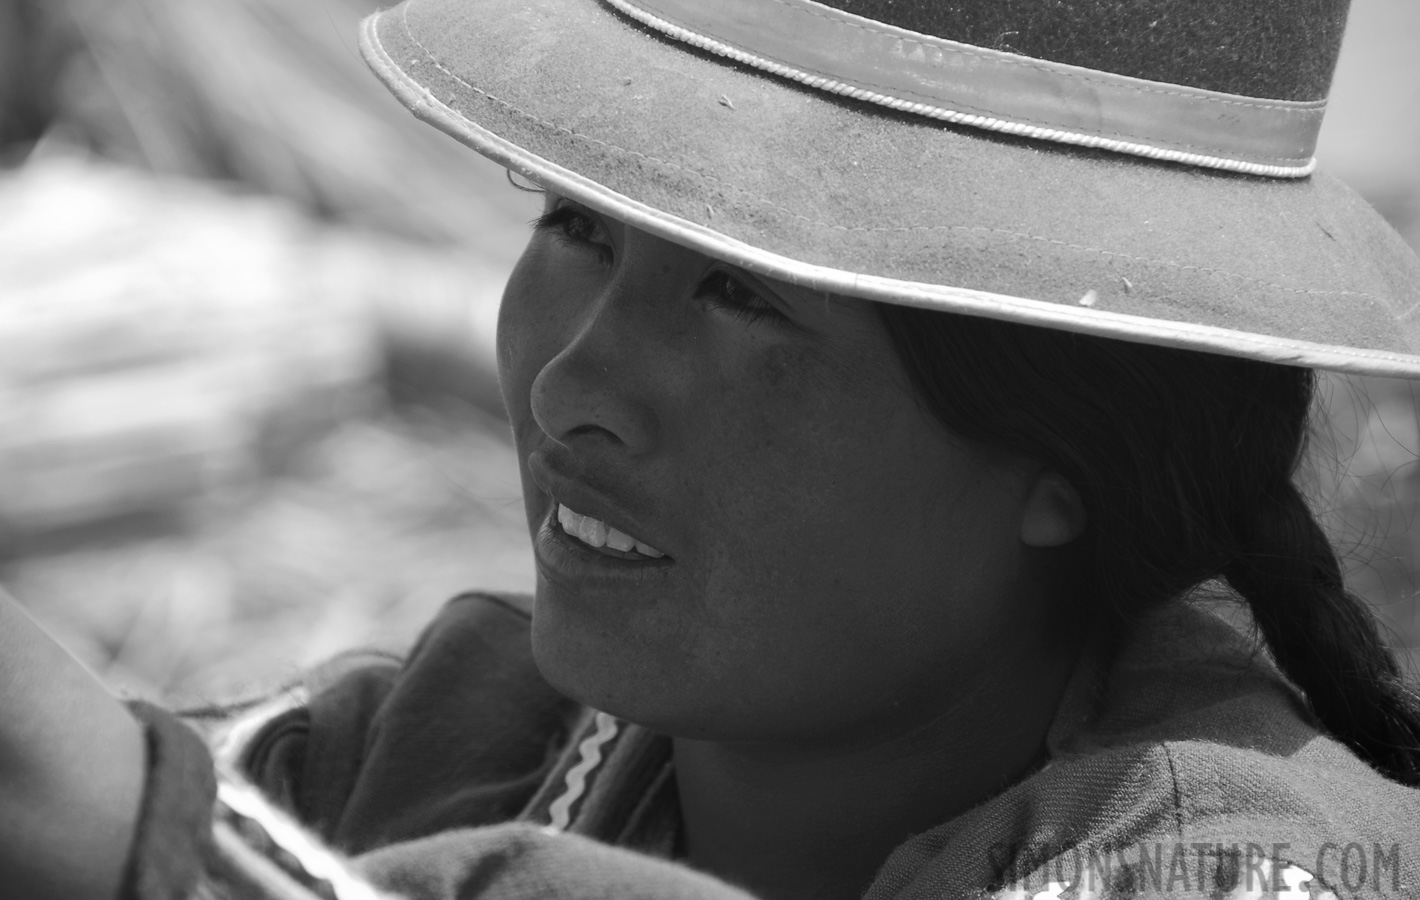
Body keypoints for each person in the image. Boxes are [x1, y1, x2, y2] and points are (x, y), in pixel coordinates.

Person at [3, 0, 1420, 898]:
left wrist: (134, 827)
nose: (572, 390)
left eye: (743, 299)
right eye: (575, 226)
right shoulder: (457, 737)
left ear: (1067, 462)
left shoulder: (1247, 857)